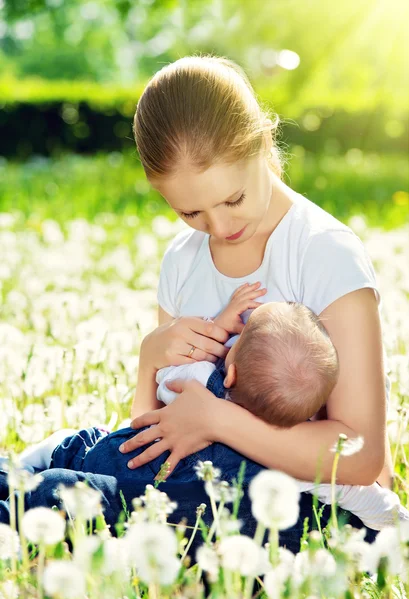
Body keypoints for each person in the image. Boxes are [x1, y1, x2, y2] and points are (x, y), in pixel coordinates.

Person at [0, 53, 397, 552]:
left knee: (122, 508)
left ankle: (38, 497)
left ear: (260, 142)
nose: (220, 226)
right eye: (190, 211)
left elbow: (361, 458)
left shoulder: (322, 253)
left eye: (232, 199)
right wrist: (150, 358)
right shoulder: (182, 262)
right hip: (185, 487)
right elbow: (153, 431)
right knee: (121, 489)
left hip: (303, 504)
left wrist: (220, 420)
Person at [11, 297, 408, 532]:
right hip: (138, 491)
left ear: (229, 371)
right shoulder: (297, 464)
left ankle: (30, 465)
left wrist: (217, 327)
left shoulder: (199, 379)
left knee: (63, 456)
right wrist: (398, 523)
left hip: (107, 455)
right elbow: (362, 496)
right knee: (48, 488)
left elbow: (169, 372)